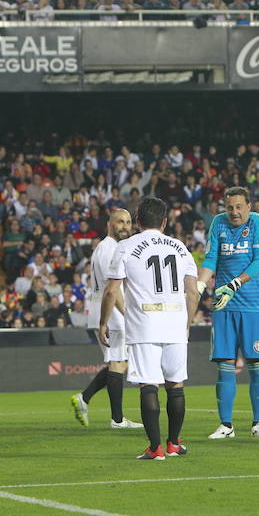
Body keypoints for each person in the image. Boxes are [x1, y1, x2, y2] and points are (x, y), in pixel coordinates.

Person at [99, 197, 201, 460]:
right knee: (176, 384)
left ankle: (155, 447)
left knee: (149, 384)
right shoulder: (180, 248)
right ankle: (173, 443)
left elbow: (112, 290)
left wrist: (103, 322)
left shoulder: (125, 246)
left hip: (144, 323)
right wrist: (187, 323)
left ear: (138, 222)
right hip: (176, 322)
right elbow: (193, 292)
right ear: (164, 222)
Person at [196, 186, 259, 439]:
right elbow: (211, 258)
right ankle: (226, 425)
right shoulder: (218, 223)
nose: (234, 212)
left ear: (249, 206)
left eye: (239, 206)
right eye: (230, 207)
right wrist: (199, 285)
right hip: (224, 306)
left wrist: (235, 283)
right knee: (225, 365)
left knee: (257, 365)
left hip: (252, 304)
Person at [71, 208, 143, 430]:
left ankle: (85, 398)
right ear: (110, 224)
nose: (125, 226)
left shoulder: (111, 248)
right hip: (110, 313)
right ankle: (117, 419)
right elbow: (112, 288)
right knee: (117, 362)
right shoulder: (107, 248)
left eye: (128, 222)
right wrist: (128, 314)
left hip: (106, 311)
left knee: (119, 362)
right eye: (120, 222)